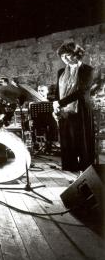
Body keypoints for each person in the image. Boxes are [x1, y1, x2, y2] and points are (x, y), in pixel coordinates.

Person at [52, 42, 95, 171]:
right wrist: (55, 104)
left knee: (83, 143)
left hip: (81, 110)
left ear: (76, 54)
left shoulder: (87, 70)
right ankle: (71, 170)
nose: (64, 59)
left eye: (67, 55)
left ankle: (86, 172)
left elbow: (81, 92)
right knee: (68, 142)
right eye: (62, 56)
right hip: (65, 112)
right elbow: (57, 92)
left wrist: (60, 103)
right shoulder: (61, 72)